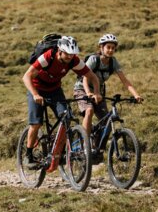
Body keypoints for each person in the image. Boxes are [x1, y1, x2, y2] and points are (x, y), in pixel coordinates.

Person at [21, 36, 101, 169]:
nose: (70, 57)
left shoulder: (73, 61)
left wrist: (97, 92)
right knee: (36, 123)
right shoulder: (47, 57)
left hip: (54, 90)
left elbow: (92, 76)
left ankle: (60, 153)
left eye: (72, 54)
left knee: (66, 118)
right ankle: (28, 155)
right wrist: (35, 94)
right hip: (36, 88)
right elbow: (26, 76)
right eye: (67, 54)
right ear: (60, 51)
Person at [73, 33, 143, 144]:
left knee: (107, 121)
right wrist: (88, 93)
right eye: (108, 47)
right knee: (89, 110)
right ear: (101, 48)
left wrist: (136, 95)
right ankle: (85, 145)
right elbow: (85, 78)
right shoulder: (93, 60)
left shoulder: (113, 62)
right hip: (82, 89)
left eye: (113, 48)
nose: (110, 50)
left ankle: (97, 149)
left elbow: (125, 81)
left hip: (98, 92)